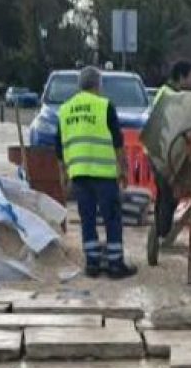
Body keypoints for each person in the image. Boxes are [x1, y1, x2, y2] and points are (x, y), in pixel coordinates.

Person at [55, 65, 136, 278]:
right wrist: (124, 169)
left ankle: (92, 264)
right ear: (98, 85)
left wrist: (63, 175)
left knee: (87, 219)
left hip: (79, 174)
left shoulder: (65, 109)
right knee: (112, 218)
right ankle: (115, 264)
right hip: (104, 174)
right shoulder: (104, 106)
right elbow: (118, 142)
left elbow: (59, 147)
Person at [151, 59, 191, 239]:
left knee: (166, 194)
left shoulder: (169, 93)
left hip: (163, 151)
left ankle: (161, 232)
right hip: (162, 152)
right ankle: (162, 234)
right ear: (181, 77)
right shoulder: (170, 95)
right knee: (168, 194)